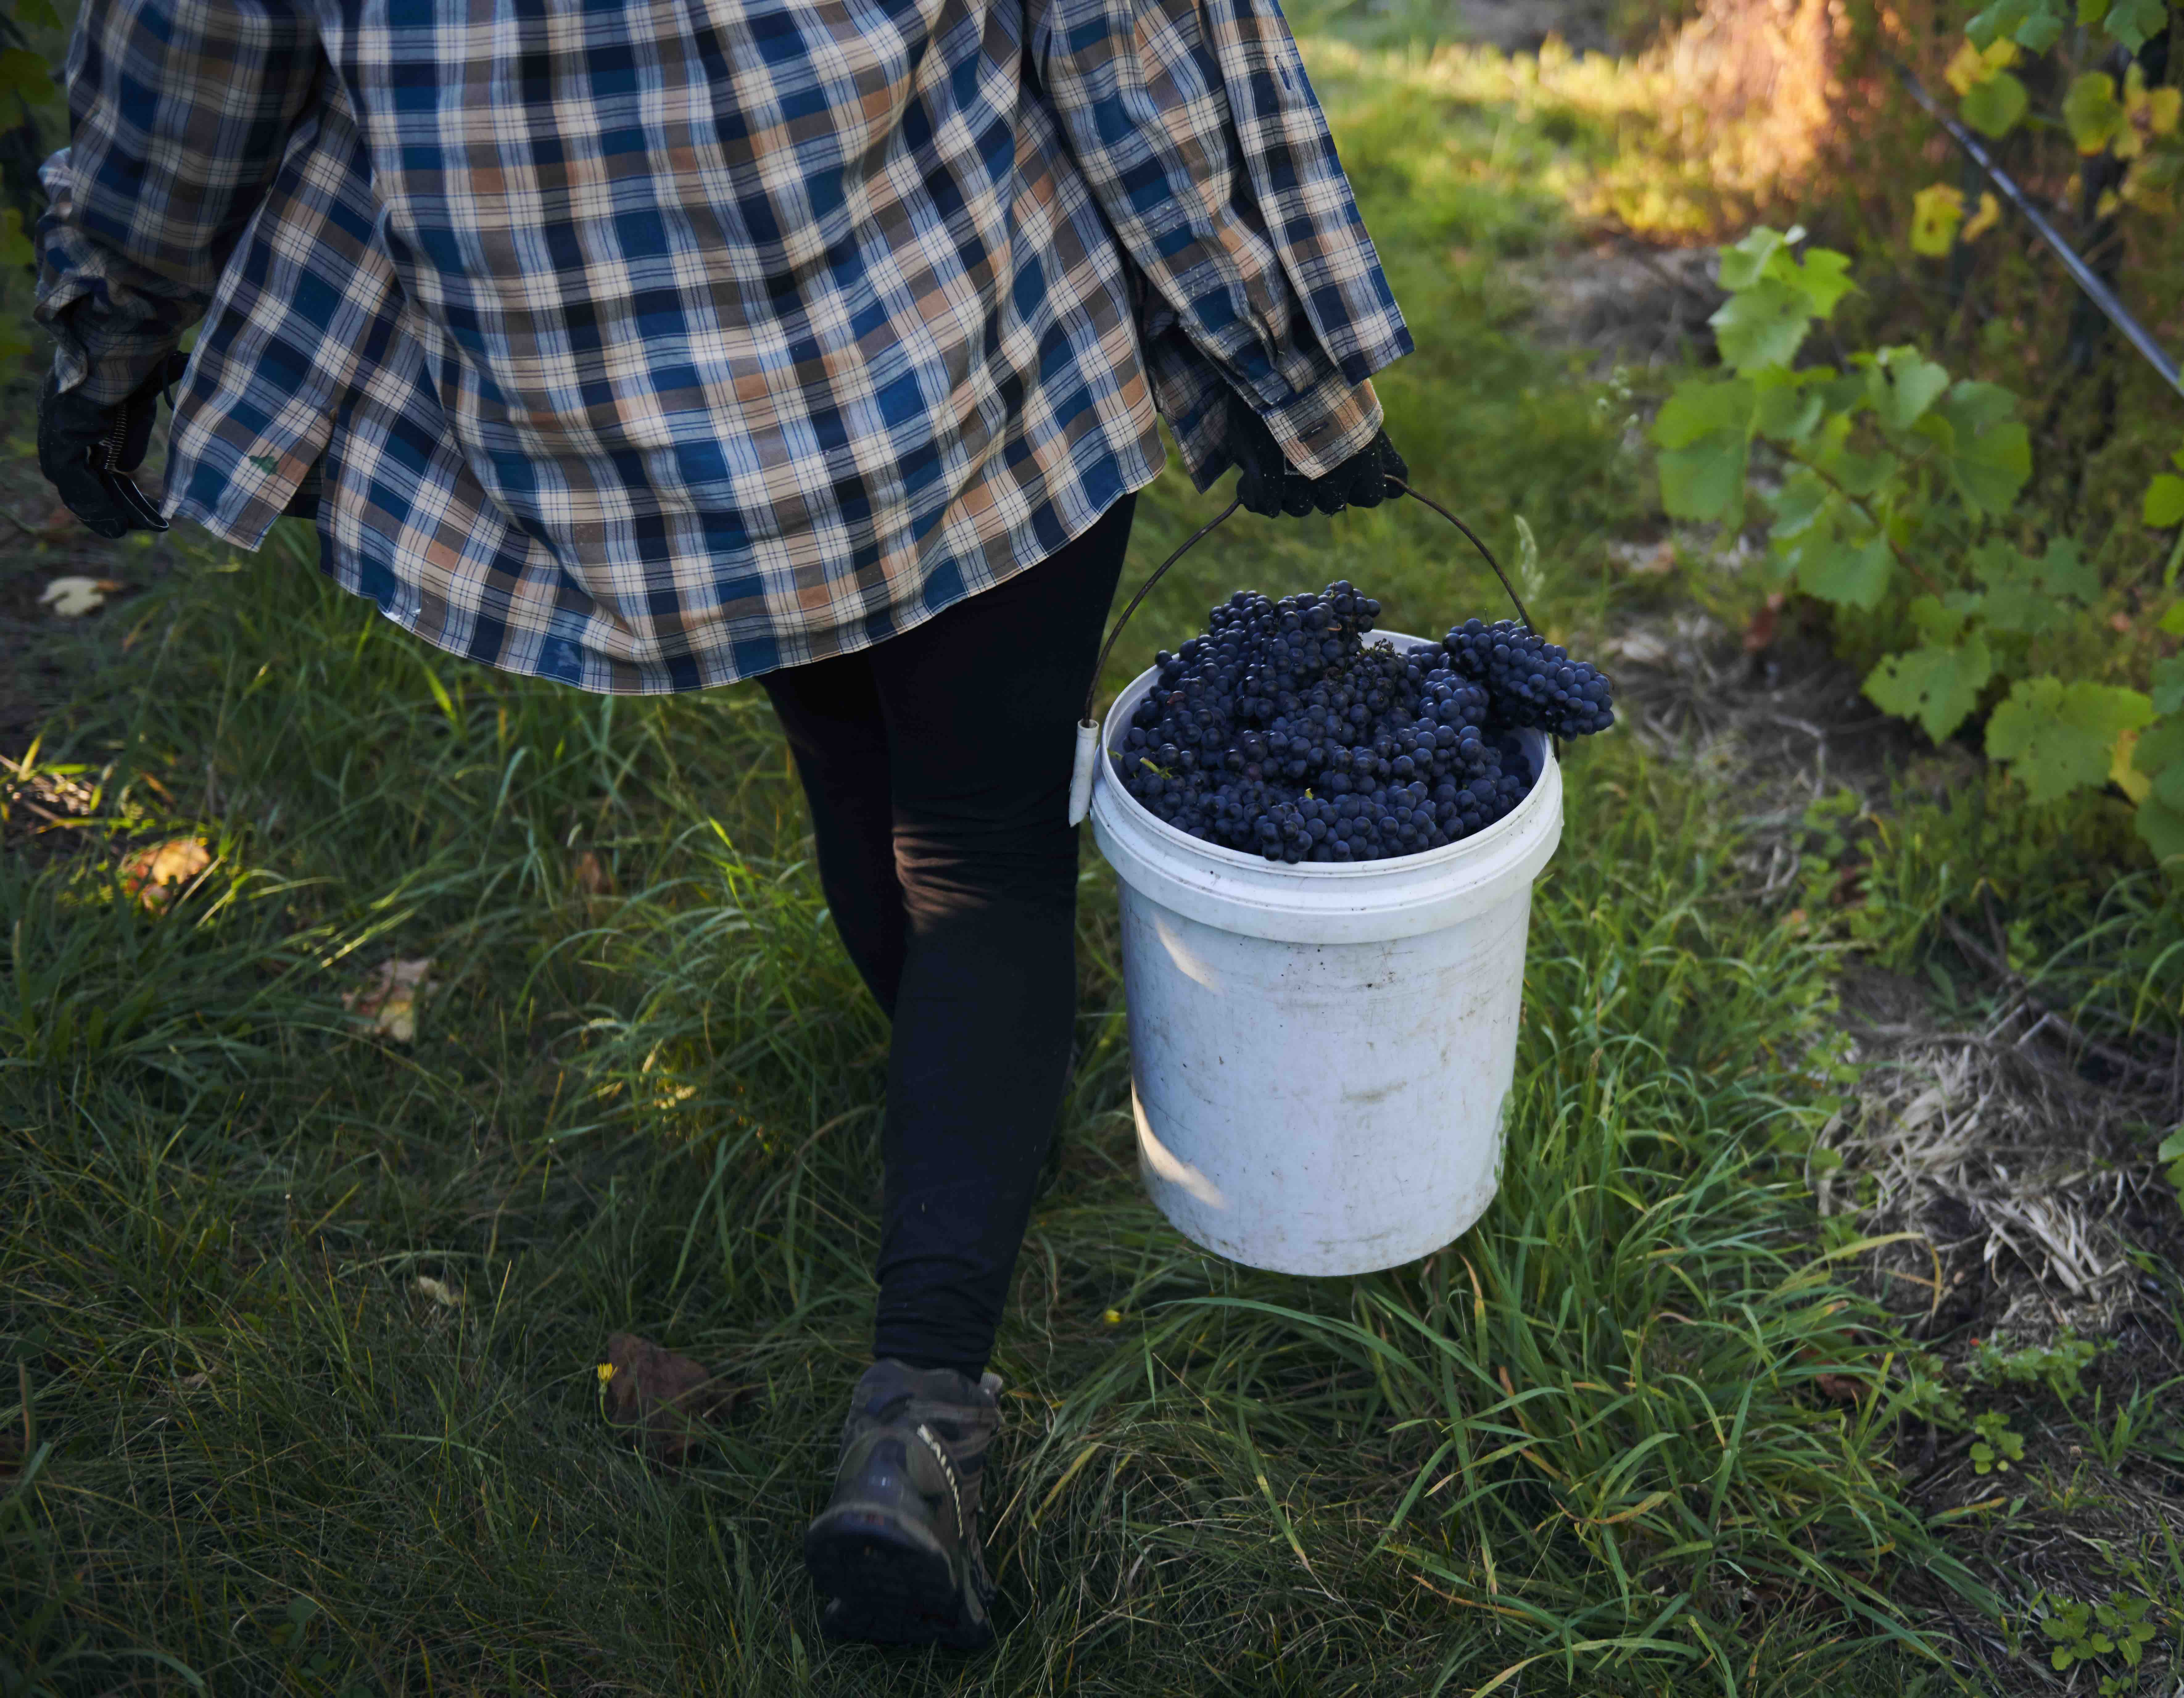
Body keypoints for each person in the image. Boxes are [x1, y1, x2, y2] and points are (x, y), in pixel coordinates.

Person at [32, 0, 1412, 1651]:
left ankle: (972, 1114)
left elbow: (186, 65)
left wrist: (111, 335)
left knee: (858, 769)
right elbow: (1119, 34)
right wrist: (1285, 358)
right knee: (985, 849)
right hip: (974, 327)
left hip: (637, 412)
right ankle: (926, 1403)